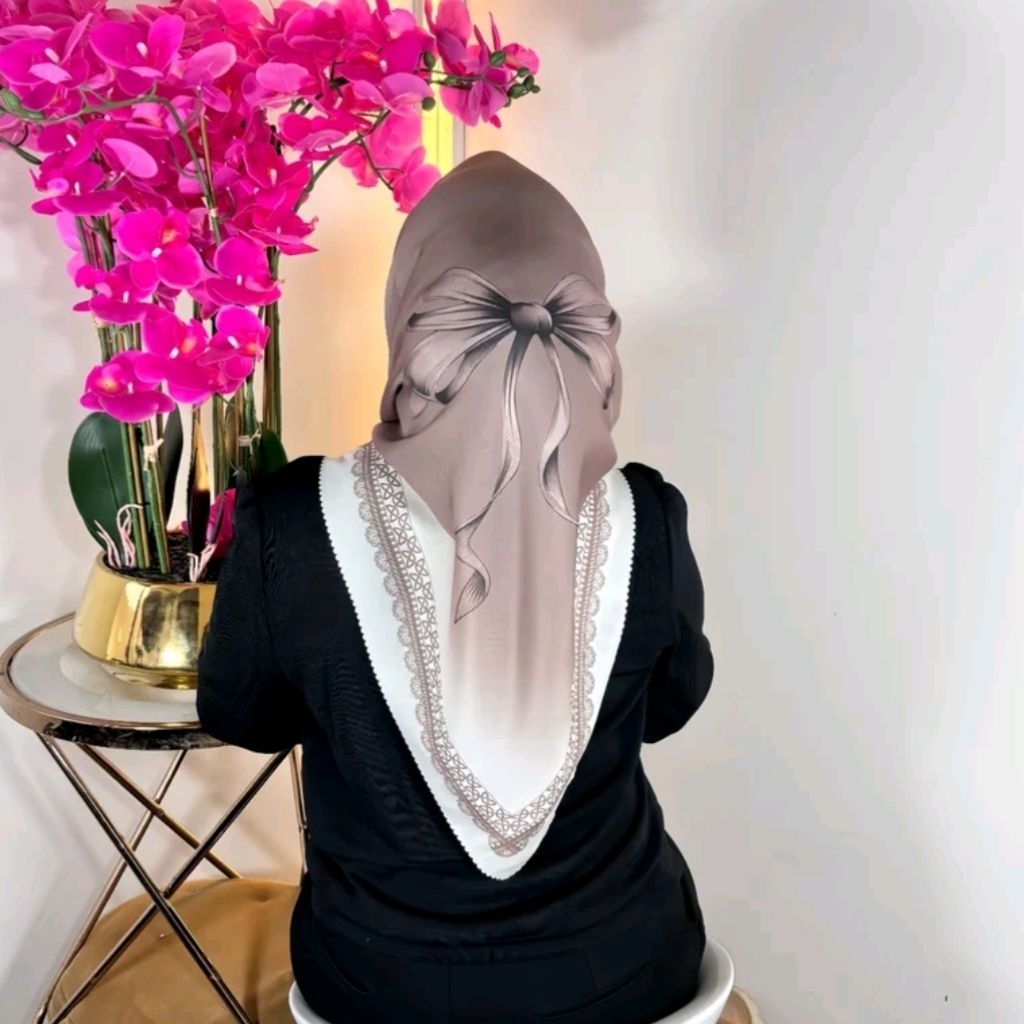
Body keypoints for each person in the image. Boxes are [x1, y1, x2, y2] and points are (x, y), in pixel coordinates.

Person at [197, 151, 715, 1024]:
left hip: (377, 986)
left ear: (411, 325)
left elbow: (240, 715)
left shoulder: (288, 522)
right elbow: (669, 705)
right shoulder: (648, 517)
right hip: (626, 971)